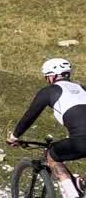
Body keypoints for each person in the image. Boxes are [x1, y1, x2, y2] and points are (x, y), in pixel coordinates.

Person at [9, 58, 86, 198]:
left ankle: (72, 194)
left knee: (53, 155)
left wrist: (14, 137)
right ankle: (81, 183)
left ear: (52, 76)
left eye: (47, 77)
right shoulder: (83, 89)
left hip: (81, 140)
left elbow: (30, 116)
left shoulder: (49, 91)